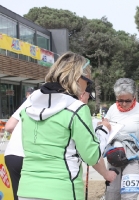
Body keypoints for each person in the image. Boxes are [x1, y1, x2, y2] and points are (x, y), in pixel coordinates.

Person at [12, 51, 116, 200]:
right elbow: (91, 156)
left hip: (27, 189)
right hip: (63, 189)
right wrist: (104, 130)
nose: (87, 87)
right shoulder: (77, 109)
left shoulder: (29, 106)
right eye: (88, 82)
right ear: (78, 78)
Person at [4, 85, 95, 200]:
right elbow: (90, 155)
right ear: (81, 94)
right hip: (40, 160)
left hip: (14, 154)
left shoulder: (35, 98)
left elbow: (9, 126)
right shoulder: (74, 108)